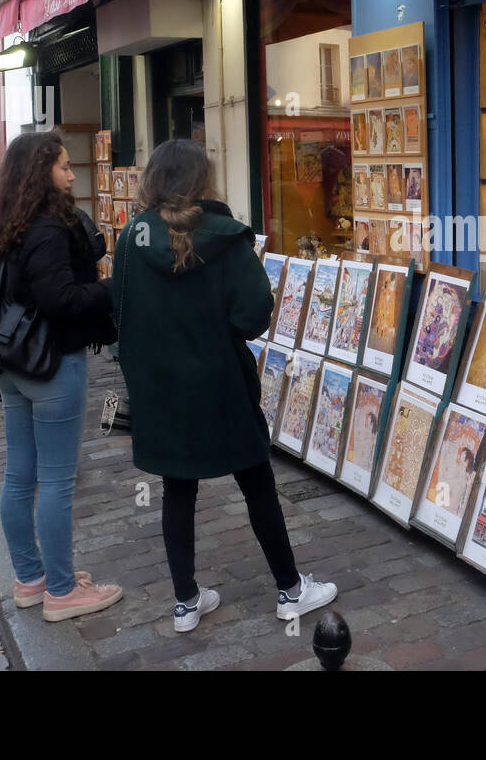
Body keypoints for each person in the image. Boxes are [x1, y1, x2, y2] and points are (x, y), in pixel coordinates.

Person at [112, 139, 337, 634]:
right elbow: (255, 313)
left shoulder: (133, 238)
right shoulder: (230, 237)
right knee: (256, 482)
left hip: (163, 387)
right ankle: (290, 590)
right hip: (221, 383)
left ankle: (186, 602)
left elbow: (119, 314)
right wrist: (221, 332)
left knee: (177, 488)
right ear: (201, 181)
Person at [0, 131, 122, 623]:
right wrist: (112, 289)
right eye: (66, 167)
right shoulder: (47, 228)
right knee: (55, 481)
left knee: (20, 475)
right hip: (51, 362)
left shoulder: (5, 221)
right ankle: (62, 591)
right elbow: (60, 301)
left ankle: (31, 579)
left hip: (13, 363)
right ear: (41, 171)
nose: (73, 175)